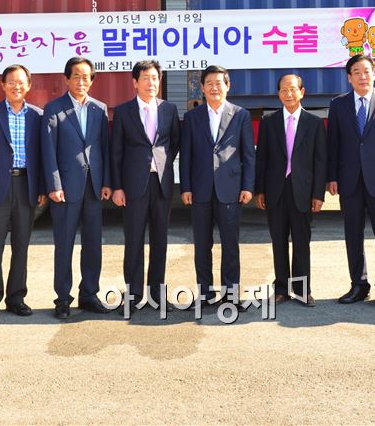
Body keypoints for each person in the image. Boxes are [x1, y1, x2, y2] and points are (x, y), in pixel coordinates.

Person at [326, 54, 375, 308]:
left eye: (367, 71)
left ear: (374, 74)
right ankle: (359, 285)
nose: (362, 76)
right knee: (353, 234)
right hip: (349, 180)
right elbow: (333, 143)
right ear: (349, 78)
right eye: (356, 72)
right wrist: (332, 176)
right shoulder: (338, 104)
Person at [0, 64, 45, 322]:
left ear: (29, 85)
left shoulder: (37, 115)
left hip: (26, 186)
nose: (16, 86)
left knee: (21, 246)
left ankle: (17, 298)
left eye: (21, 82)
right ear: (2, 85)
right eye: (11, 82)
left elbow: (42, 155)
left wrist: (41, 188)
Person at [41, 56, 112, 319]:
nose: (81, 81)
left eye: (86, 77)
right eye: (76, 76)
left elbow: (104, 147)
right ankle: (62, 298)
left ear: (92, 80)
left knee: (93, 244)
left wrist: (107, 182)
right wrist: (54, 185)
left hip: (93, 187)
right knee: (64, 244)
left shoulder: (99, 109)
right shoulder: (54, 109)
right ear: (67, 79)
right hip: (65, 189)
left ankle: (89, 294)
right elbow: (48, 150)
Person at [180, 65, 255, 305]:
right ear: (202, 88)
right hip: (200, 190)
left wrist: (248, 186)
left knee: (230, 245)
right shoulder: (192, 117)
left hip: (230, 189)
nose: (214, 88)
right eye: (209, 83)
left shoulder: (240, 115)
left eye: (219, 83)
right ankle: (205, 294)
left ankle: (231, 294)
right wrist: (185, 187)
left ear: (227, 86)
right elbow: (186, 155)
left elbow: (248, 154)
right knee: (202, 246)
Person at [110, 60, 180, 310]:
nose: (151, 83)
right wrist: (117, 187)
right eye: (146, 78)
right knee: (134, 241)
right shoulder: (123, 111)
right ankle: (133, 294)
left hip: (161, 183)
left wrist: (160, 164)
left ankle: (157, 294)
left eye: (155, 78)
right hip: (133, 185)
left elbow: (174, 143)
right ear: (135, 82)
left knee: (160, 240)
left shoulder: (169, 109)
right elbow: (116, 151)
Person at [254, 74, 326, 306]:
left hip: (302, 192)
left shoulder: (314, 123)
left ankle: (303, 290)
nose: (288, 94)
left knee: (302, 242)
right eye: (283, 90)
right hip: (275, 190)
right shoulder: (269, 122)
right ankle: (281, 289)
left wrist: (318, 194)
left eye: (293, 89)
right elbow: (261, 158)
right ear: (278, 94)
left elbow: (320, 162)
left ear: (302, 92)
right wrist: (259, 190)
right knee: (278, 241)